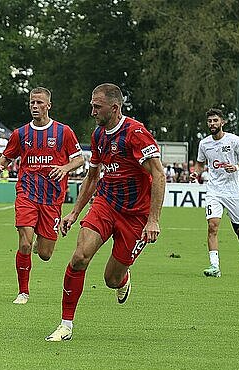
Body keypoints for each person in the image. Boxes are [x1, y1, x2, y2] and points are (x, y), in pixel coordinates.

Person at [45, 83, 165, 341]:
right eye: (92, 105)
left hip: (135, 215)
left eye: (97, 107)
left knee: (111, 278)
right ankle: (66, 325)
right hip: (105, 204)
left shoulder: (136, 134)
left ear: (115, 107)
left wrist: (153, 219)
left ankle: (122, 281)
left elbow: (158, 173)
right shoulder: (99, 135)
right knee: (79, 257)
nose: (92, 111)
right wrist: (74, 213)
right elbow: (92, 175)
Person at [0, 87, 84, 305]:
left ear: (48, 105)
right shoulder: (20, 134)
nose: (35, 106)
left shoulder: (63, 132)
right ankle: (23, 291)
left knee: (45, 254)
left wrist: (65, 168)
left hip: (52, 198)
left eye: (39, 103)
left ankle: (37, 243)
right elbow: (7, 157)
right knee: (24, 243)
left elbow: (79, 160)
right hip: (27, 193)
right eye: (32, 102)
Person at [190, 108, 239, 278]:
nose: (212, 124)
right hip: (214, 190)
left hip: (233, 191)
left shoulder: (233, 140)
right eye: (210, 121)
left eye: (215, 120)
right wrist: (195, 172)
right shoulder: (204, 144)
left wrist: (236, 167)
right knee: (212, 226)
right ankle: (214, 266)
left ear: (222, 122)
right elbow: (199, 163)